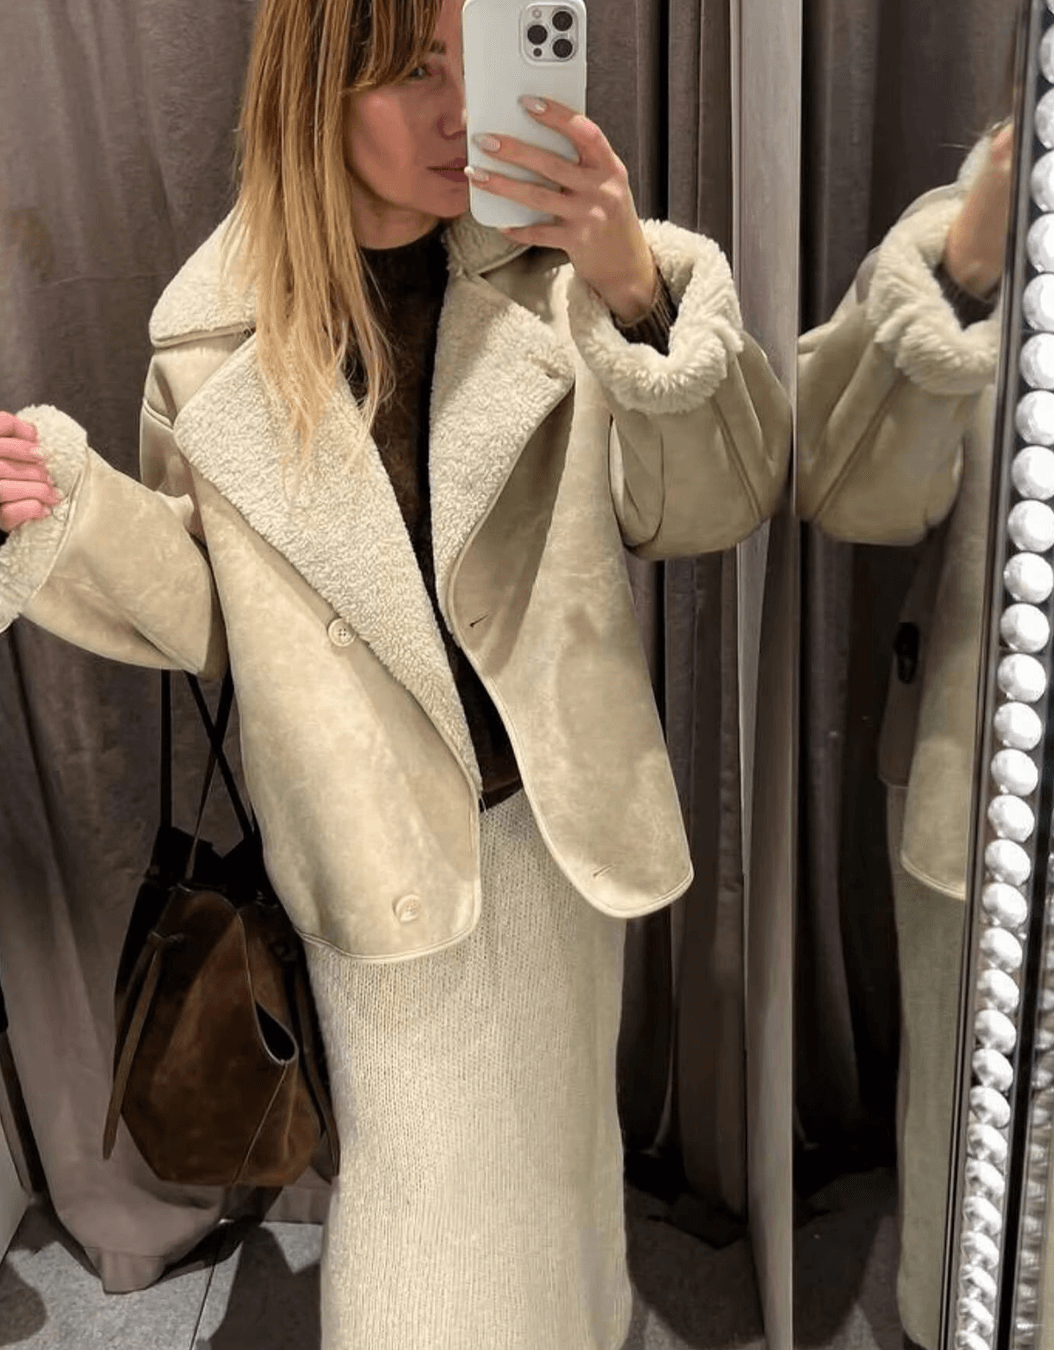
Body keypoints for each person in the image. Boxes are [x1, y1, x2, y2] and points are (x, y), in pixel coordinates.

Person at [0, 0, 790, 1346]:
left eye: (474, 62)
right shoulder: (212, 337)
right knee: (421, 1224)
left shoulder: (553, 272)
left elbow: (713, 504)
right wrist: (60, 508)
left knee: (563, 1171)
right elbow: (212, 614)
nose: (458, 113)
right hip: (371, 854)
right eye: (413, 71)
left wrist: (636, 296)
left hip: (554, 827)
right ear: (317, 84)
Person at [797, 124, 1011, 1349]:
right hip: (992, 778)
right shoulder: (982, 227)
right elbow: (842, 485)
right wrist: (967, 272)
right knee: (978, 1146)